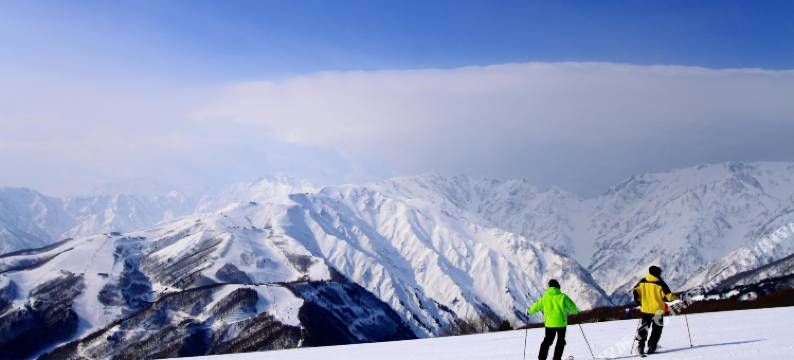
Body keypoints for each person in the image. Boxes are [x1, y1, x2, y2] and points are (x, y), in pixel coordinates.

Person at [527, 279, 579, 360]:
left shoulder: (544, 298)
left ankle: (541, 358)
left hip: (549, 324)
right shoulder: (562, 296)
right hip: (561, 324)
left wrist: (528, 311)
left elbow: (536, 307)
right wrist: (576, 312)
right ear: (558, 286)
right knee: (561, 341)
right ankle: (556, 358)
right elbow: (572, 307)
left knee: (547, 341)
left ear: (549, 287)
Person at [632, 265, 679, 355]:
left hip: (645, 309)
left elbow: (635, 291)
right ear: (658, 273)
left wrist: (639, 302)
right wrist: (678, 297)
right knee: (657, 329)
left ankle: (641, 346)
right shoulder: (661, 283)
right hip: (658, 310)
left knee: (644, 327)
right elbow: (668, 297)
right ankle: (651, 347)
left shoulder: (642, 282)